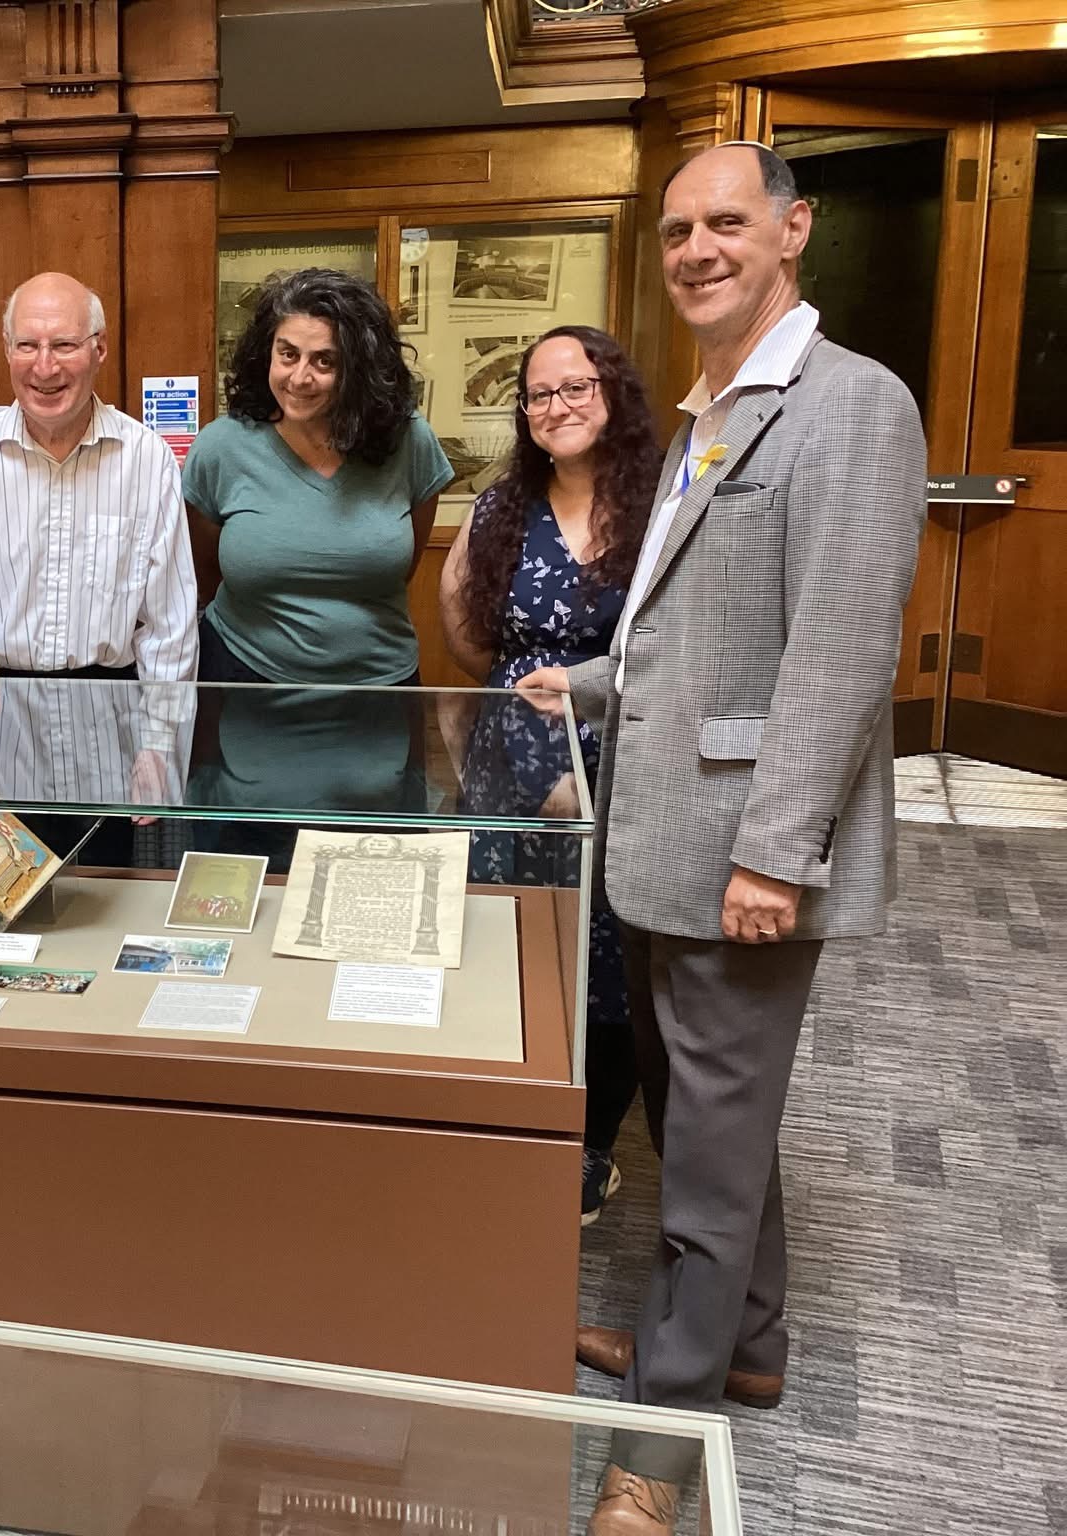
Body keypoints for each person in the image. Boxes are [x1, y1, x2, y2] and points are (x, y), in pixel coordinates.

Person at [518, 143, 925, 1534]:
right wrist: (578, 683)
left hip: (741, 852)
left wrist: (777, 851)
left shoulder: (850, 406)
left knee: (702, 1159)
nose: (696, 247)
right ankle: (748, 1344)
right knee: (710, 1119)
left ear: (792, 231)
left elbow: (838, 654)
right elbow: (680, 634)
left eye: (727, 223)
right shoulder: (708, 410)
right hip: (658, 838)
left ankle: (665, 1446)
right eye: (679, 227)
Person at [438, 325, 656, 1224]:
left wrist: (593, 772)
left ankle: (589, 1149)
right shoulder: (503, 504)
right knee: (509, 941)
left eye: (576, 388)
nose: (555, 407)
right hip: (508, 756)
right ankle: (509, 1116)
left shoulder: (662, 504)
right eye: (537, 394)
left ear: (613, 393)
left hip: (622, 752)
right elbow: (463, 618)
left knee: (612, 964)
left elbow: (679, 649)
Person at [0, 271, 197, 689]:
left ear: (99, 349)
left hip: (113, 712)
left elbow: (170, 628)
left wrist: (159, 740)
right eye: (27, 345)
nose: (44, 367)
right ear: (7, 350)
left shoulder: (146, 459)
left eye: (64, 345)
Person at [184, 266, 451, 687]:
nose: (300, 377)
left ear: (360, 369)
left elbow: (402, 566)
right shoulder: (221, 448)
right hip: (244, 681)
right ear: (266, 352)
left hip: (380, 690)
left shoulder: (409, 441)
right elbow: (206, 575)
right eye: (287, 354)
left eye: (325, 360)